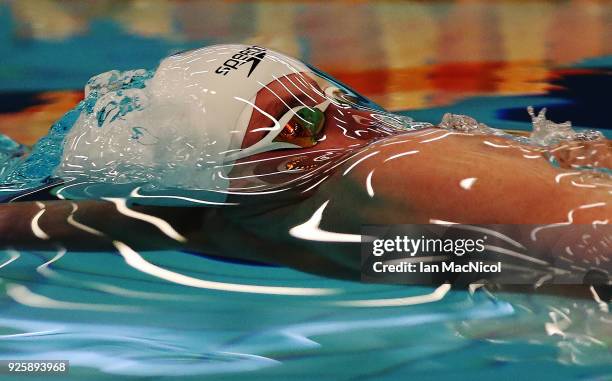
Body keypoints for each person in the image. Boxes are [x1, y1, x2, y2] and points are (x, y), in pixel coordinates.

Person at [0, 45, 610, 292]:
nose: (355, 119)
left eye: (332, 97)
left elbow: (34, 222)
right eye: (300, 123)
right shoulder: (399, 164)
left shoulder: (212, 221)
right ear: (232, 177)